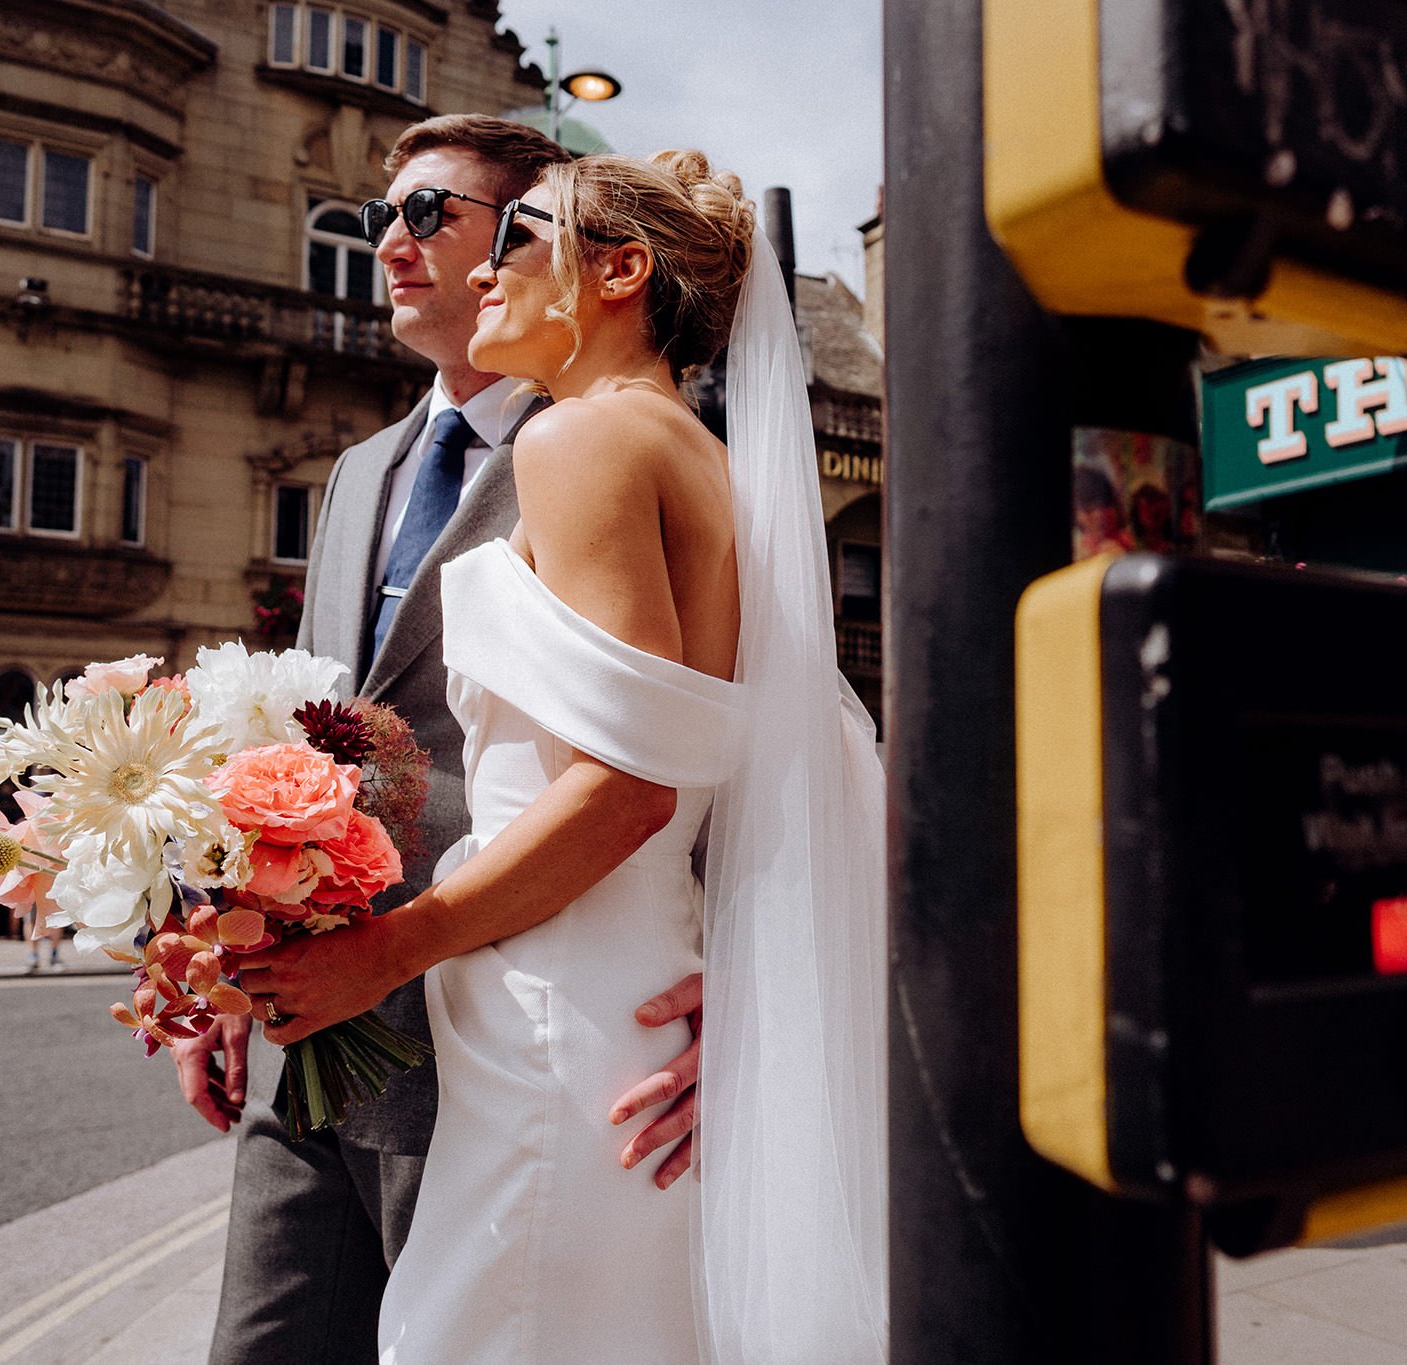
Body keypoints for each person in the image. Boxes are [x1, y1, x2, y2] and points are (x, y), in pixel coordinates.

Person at [236, 151, 889, 1362]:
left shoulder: (577, 441)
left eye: (519, 238)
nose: (483, 268)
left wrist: (391, 948)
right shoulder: (703, 459)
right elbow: (818, 762)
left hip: (553, 1003)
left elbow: (627, 788)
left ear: (619, 272)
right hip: (626, 986)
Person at [169, 116, 706, 1364]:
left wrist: (743, 977)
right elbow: (300, 743)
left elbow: (699, 752)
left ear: (520, 247)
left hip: (506, 1026)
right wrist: (224, 945)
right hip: (311, 1026)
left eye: (433, 215)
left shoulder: (615, 432)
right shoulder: (356, 470)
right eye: (377, 219)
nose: (392, 244)